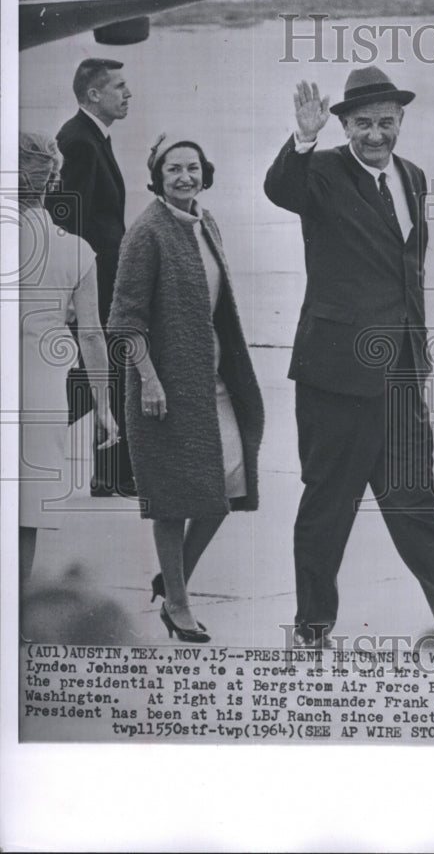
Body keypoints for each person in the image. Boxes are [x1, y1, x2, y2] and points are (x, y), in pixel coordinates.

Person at [263, 67, 434, 647]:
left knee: (417, 506)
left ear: (401, 121)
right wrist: (302, 140)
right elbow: (282, 189)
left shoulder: (414, 177)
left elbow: (408, 276)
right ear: (345, 126)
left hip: (402, 374)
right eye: (362, 124)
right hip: (337, 376)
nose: (375, 134)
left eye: (385, 122)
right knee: (329, 507)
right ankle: (311, 629)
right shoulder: (323, 171)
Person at [109, 134, 264, 642]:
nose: (184, 177)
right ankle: (177, 604)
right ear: (157, 176)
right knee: (175, 498)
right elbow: (125, 322)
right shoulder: (146, 232)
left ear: (205, 173)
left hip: (213, 384)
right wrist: (148, 380)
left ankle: (170, 580)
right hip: (166, 391)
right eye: (173, 169)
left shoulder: (205, 221)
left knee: (229, 486)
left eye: (192, 168)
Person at [18, 132, 119, 586]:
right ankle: (14, 616)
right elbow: (92, 334)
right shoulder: (76, 249)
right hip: (42, 393)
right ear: (51, 181)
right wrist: (103, 407)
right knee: (25, 510)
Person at [46, 58, 135, 497]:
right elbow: (68, 219)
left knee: (109, 367)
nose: (128, 93)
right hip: (91, 278)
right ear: (94, 95)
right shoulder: (79, 142)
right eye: (119, 87)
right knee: (99, 369)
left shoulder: (92, 136)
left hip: (102, 276)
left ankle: (110, 474)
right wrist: (72, 287)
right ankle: (35, 434)